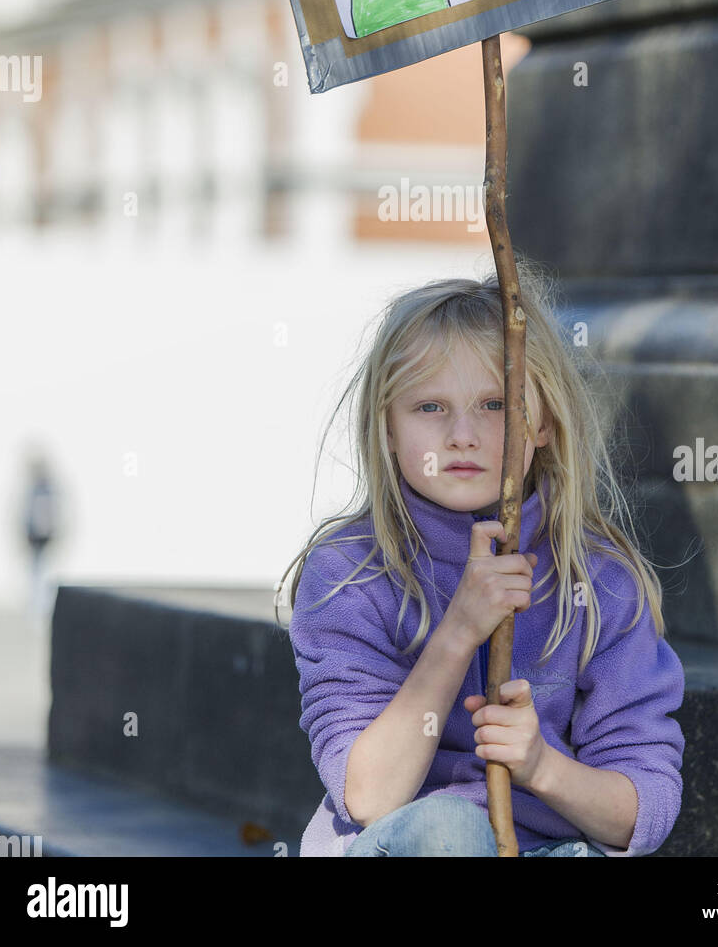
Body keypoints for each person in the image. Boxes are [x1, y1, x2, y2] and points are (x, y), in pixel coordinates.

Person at [280, 259, 685, 857]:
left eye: (496, 405)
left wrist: (541, 765)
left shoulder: (597, 582)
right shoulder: (349, 574)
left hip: (546, 847)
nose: (462, 435)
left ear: (543, 421)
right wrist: (459, 630)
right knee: (449, 831)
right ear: (387, 429)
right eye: (430, 408)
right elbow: (368, 795)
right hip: (405, 843)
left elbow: (639, 813)